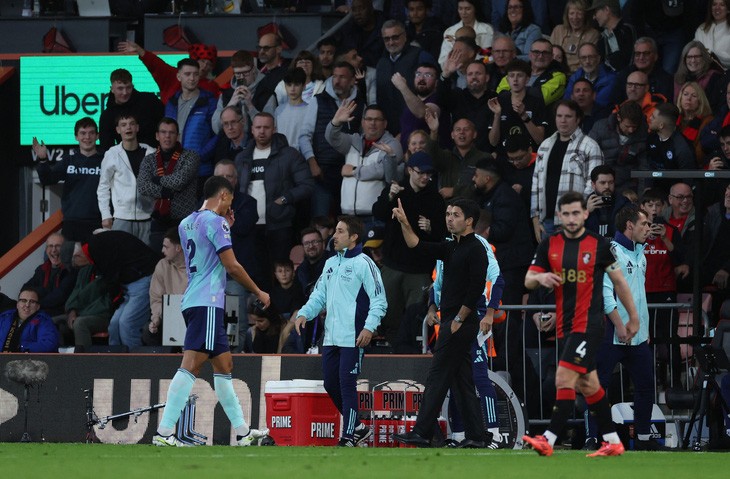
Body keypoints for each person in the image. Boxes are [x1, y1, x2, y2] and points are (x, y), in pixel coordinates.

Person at [153, 176, 270, 447]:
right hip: (207, 301)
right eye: (229, 200)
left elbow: (205, 250)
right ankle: (164, 432)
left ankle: (242, 433)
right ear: (224, 197)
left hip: (196, 300)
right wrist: (258, 291)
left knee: (224, 366)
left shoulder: (186, 223)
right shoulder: (215, 222)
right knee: (191, 366)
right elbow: (232, 267)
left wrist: (225, 226)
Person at [522, 191, 639, 457]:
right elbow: (528, 279)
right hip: (565, 325)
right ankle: (612, 441)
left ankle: (548, 439)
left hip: (590, 324)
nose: (572, 218)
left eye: (577, 213)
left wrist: (633, 317)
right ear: (559, 216)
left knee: (563, 378)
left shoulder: (598, 244)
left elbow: (619, 282)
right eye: (567, 213)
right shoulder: (549, 244)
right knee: (588, 385)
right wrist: (539, 279)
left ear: (585, 214)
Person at [391, 199, 489, 448]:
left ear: (469, 221)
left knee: (437, 376)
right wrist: (404, 222)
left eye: (455, 215)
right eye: (447, 214)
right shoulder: (450, 247)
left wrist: (458, 318)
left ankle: (422, 432)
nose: (449, 218)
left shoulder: (476, 248)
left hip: (460, 322)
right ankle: (477, 436)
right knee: (461, 380)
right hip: (454, 321)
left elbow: (477, 288)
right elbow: (416, 245)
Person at [295, 216, 387, 447]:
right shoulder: (330, 263)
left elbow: (380, 301)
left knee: (346, 385)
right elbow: (319, 295)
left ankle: (348, 436)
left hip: (353, 337)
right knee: (330, 384)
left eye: (339, 232)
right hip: (331, 337)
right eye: (335, 231)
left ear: (353, 237)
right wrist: (304, 313)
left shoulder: (365, 264)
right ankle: (358, 427)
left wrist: (369, 327)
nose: (333, 236)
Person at [583, 205, 665, 450]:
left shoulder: (642, 253)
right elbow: (606, 295)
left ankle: (642, 440)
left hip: (638, 335)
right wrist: (619, 325)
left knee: (645, 385)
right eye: (644, 224)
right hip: (610, 331)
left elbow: (639, 296)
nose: (648, 228)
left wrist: (645, 329)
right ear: (630, 226)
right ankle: (592, 439)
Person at [371, 151, 446, 349]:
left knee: (416, 315)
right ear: (410, 170)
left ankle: (413, 354)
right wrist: (388, 196)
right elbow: (378, 214)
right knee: (389, 314)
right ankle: (391, 352)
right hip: (394, 265)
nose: (425, 177)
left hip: (420, 269)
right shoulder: (397, 190)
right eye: (421, 173)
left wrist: (432, 228)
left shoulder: (436, 199)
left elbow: (444, 232)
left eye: (429, 174)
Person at [235, 113, 314, 285]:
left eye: (266, 127)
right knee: (255, 274)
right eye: (258, 127)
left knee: (281, 275)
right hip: (250, 226)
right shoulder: (242, 157)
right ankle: (259, 311)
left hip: (280, 224)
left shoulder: (289, 155)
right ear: (251, 130)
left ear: (274, 130)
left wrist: (284, 199)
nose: (262, 131)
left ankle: (281, 309)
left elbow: (307, 185)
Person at [531, 99, 604, 241]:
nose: (563, 120)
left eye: (568, 116)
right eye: (559, 116)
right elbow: (535, 184)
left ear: (577, 119)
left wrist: (576, 217)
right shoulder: (545, 145)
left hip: (575, 223)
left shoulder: (590, 146)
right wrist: (535, 219)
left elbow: (594, 186)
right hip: (546, 223)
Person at [298, 62, 364, 218]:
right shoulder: (318, 100)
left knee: (348, 222)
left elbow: (363, 138)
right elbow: (304, 136)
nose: (337, 81)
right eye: (335, 76)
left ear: (353, 80)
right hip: (322, 171)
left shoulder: (361, 103)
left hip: (350, 173)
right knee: (321, 220)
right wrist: (312, 164)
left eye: (342, 77)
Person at [81, 230, 160, 349]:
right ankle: (115, 363)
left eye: (76, 263)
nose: (82, 267)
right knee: (114, 325)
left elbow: (110, 275)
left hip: (142, 278)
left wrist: (115, 299)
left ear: (77, 255)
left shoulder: (96, 248)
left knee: (128, 324)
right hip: (130, 283)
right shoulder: (95, 245)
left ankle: (136, 365)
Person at [326, 102, 403, 224]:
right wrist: (336, 122)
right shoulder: (352, 141)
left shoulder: (392, 144)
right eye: (369, 119)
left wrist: (353, 171)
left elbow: (383, 170)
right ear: (363, 122)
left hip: (374, 216)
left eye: (377, 119)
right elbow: (331, 138)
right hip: (348, 215)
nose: (372, 123)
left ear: (385, 123)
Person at [213, 160, 259, 352]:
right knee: (211, 324)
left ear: (236, 179)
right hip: (211, 276)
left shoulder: (248, 203)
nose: (224, 180)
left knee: (236, 326)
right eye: (220, 177)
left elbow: (240, 227)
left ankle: (236, 368)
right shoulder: (204, 204)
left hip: (234, 276)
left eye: (228, 176)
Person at [34, 118, 104, 242]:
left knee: (96, 261)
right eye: (83, 133)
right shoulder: (68, 161)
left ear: (97, 136)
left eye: (91, 133)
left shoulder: (106, 160)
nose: (87, 137)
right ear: (76, 137)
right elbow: (47, 180)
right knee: (68, 261)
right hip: (71, 222)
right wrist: (43, 159)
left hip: (98, 222)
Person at [640, 189, 683, 388]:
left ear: (663, 206)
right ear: (643, 207)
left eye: (658, 205)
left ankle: (674, 383)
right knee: (645, 339)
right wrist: (645, 236)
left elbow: (680, 260)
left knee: (670, 338)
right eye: (650, 205)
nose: (654, 209)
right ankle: (648, 382)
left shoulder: (673, 231)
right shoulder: (637, 231)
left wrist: (665, 238)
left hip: (666, 289)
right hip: (643, 290)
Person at [137, 117, 200, 250]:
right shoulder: (149, 160)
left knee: (185, 266)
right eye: (163, 132)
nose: (167, 136)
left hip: (185, 223)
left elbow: (179, 181)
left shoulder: (190, 156)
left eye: (171, 133)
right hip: (158, 221)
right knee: (157, 264)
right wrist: (164, 191)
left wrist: (157, 180)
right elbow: (143, 186)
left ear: (178, 136)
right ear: (157, 136)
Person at [97, 112, 156, 244]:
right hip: (122, 218)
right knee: (122, 260)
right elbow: (103, 187)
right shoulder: (112, 154)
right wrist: (106, 215)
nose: (128, 128)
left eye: (131, 124)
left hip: (147, 217)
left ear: (137, 128)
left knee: (146, 259)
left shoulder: (151, 153)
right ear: (118, 130)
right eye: (123, 125)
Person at [164, 59, 219, 192]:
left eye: (195, 74)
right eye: (187, 74)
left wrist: (201, 156)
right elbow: (166, 133)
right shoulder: (171, 103)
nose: (192, 78)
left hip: (201, 171)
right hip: (174, 170)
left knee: (201, 212)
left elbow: (218, 134)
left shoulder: (209, 101)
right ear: (179, 76)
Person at [376, 20, 437, 137]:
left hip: (418, 130)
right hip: (388, 132)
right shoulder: (381, 63)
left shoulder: (421, 56)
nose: (391, 42)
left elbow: (433, 94)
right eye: (386, 39)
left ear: (404, 36)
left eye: (395, 37)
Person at [118, 40, 220, 104]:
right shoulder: (173, 75)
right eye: (202, 61)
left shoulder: (212, 86)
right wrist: (139, 49)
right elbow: (157, 64)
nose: (205, 66)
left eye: (209, 64)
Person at [488, 59, 548, 154]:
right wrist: (497, 116)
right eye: (512, 76)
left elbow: (539, 139)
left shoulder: (536, 102)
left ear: (527, 79)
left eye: (519, 75)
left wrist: (524, 116)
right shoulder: (499, 102)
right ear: (507, 80)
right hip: (504, 157)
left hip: (529, 156)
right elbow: (493, 142)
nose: (515, 79)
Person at [60, 242, 113, 348]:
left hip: (103, 317)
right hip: (83, 313)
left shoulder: (109, 270)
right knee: (52, 322)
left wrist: (79, 312)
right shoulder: (85, 270)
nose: (75, 258)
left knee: (80, 323)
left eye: (79, 255)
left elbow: (103, 305)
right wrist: (72, 311)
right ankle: (56, 360)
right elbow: (74, 296)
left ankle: (83, 363)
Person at [212, 50, 276, 136]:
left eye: (246, 73)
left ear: (253, 70)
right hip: (230, 146)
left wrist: (250, 106)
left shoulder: (267, 95)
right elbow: (216, 128)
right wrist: (230, 105)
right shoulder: (225, 96)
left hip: (256, 146)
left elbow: (269, 129)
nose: (242, 77)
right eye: (238, 74)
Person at [588, 100, 648, 192]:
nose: (631, 130)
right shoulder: (600, 128)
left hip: (628, 189)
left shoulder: (643, 136)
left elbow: (643, 170)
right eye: (627, 126)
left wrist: (642, 196)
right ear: (619, 117)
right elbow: (587, 157)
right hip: (600, 186)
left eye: (635, 127)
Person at [98, 68, 164, 150]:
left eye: (128, 88)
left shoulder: (150, 101)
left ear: (132, 86)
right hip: (124, 161)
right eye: (120, 88)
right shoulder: (107, 116)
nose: (125, 92)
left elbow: (166, 126)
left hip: (156, 156)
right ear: (112, 89)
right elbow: (107, 148)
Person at [144, 228, 187, 347]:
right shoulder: (162, 265)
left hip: (192, 318)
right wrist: (156, 318)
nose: (162, 250)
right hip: (169, 318)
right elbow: (157, 299)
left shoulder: (197, 267)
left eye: (166, 247)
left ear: (178, 248)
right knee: (148, 332)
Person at [496, 38, 567, 107]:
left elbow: (541, 98)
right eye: (536, 52)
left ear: (551, 57)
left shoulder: (558, 76)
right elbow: (500, 93)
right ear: (530, 55)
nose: (540, 56)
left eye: (545, 53)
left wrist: (515, 92)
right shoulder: (517, 70)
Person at [609, 37, 674, 107]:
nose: (641, 57)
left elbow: (666, 108)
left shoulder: (665, 79)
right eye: (637, 53)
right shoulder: (624, 75)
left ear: (655, 56)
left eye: (646, 53)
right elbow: (614, 104)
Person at [23, 233, 75, 318]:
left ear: (65, 249)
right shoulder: (42, 269)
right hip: (41, 311)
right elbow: (25, 288)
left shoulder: (71, 270)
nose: (54, 250)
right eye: (50, 246)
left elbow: (59, 296)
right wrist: (43, 291)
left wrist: (36, 302)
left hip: (60, 314)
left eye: (58, 246)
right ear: (46, 251)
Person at [646, 103, 696, 190]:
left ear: (661, 125)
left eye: (653, 117)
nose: (650, 118)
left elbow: (688, 181)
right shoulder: (651, 137)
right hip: (655, 191)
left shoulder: (682, 148)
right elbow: (649, 166)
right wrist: (647, 187)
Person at [438, 0, 494, 69]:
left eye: (468, 9)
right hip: (455, 73)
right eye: (460, 9)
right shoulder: (450, 32)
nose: (463, 13)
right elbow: (443, 62)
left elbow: (488, 58)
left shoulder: (486, 29)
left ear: (475, 9)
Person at [0, 287, 59, 353]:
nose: (27, 305)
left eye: (32, 302)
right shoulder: (5, 317)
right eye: (23, 301)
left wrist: (21, 348)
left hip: (29, 361)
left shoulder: (44, 321)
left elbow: (49, 345)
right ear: (17, 304)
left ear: (38, 307)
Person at [550, 0, 599, 73]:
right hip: (554, 73)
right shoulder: (558, 30)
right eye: (572, 13)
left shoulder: (593, 34)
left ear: (585, 15)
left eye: (579, 13)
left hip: (578, 75)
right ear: (567, 15)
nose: (575, 17)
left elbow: (589, 62)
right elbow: (549, 55)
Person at [585, 165, 633, 239]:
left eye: (611, 182)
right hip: (591, 249)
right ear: (593, 185)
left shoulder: (624, 204)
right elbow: (573, 232)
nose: (607, 186)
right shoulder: (582, 206)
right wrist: (586, 212)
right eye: (602, 183)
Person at [587, 0, 635, 73]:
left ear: (607, 10)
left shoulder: (627, 30)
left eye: (595, 12)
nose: (594, 17)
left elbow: (632, 61)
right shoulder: (601, 39)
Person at [564, 43, 616, 107]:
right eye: (583, 58)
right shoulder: (574, 78)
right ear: (579, 60)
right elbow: (566, 103)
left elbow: (598, 106)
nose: (587, 61)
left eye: (591, 57)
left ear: (598, 58)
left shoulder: (610, 80)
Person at [676, 82, 715, 167]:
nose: (688, 99)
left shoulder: (708, 121)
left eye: (694, 96)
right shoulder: (673, 119)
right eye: (685, 94)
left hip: (696, 168)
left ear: (700, 101)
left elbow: (701, 153)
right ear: (680, 98)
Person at [339, 0, 387, 69]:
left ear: (371, 8)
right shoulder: (348, 30)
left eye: (361, 8)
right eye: (354, 9)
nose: (357, 13)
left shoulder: (387, 27)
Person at [673, 40, 723, 106]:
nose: (693, 60)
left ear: (704, 58)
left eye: (697, 56)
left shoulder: (714, 77)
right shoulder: (677, 77)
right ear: (684, 59)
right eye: (689, 57)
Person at [274, 68, 310, 150]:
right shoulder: (279, 110)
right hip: (281, 154)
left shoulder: (309, 110)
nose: (292, 89)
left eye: (296, 85)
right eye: (289, 85)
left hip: (301, 156)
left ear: (304, 86)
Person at [694, 0, 730, 70]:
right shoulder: (701, 29)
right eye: (714, 4)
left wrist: (711, 55)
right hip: (702, 73)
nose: (717, 7)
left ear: (728, 9)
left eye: (722, 5)